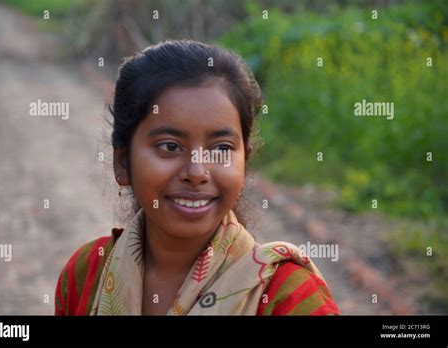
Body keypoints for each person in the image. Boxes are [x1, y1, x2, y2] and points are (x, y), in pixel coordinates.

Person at [55, 40, 339, 316]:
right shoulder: (86, 275)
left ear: (244, 162)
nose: (196, 172)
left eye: (221, 149)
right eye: (169, 146)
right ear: (122, 163)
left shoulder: (287, 297)